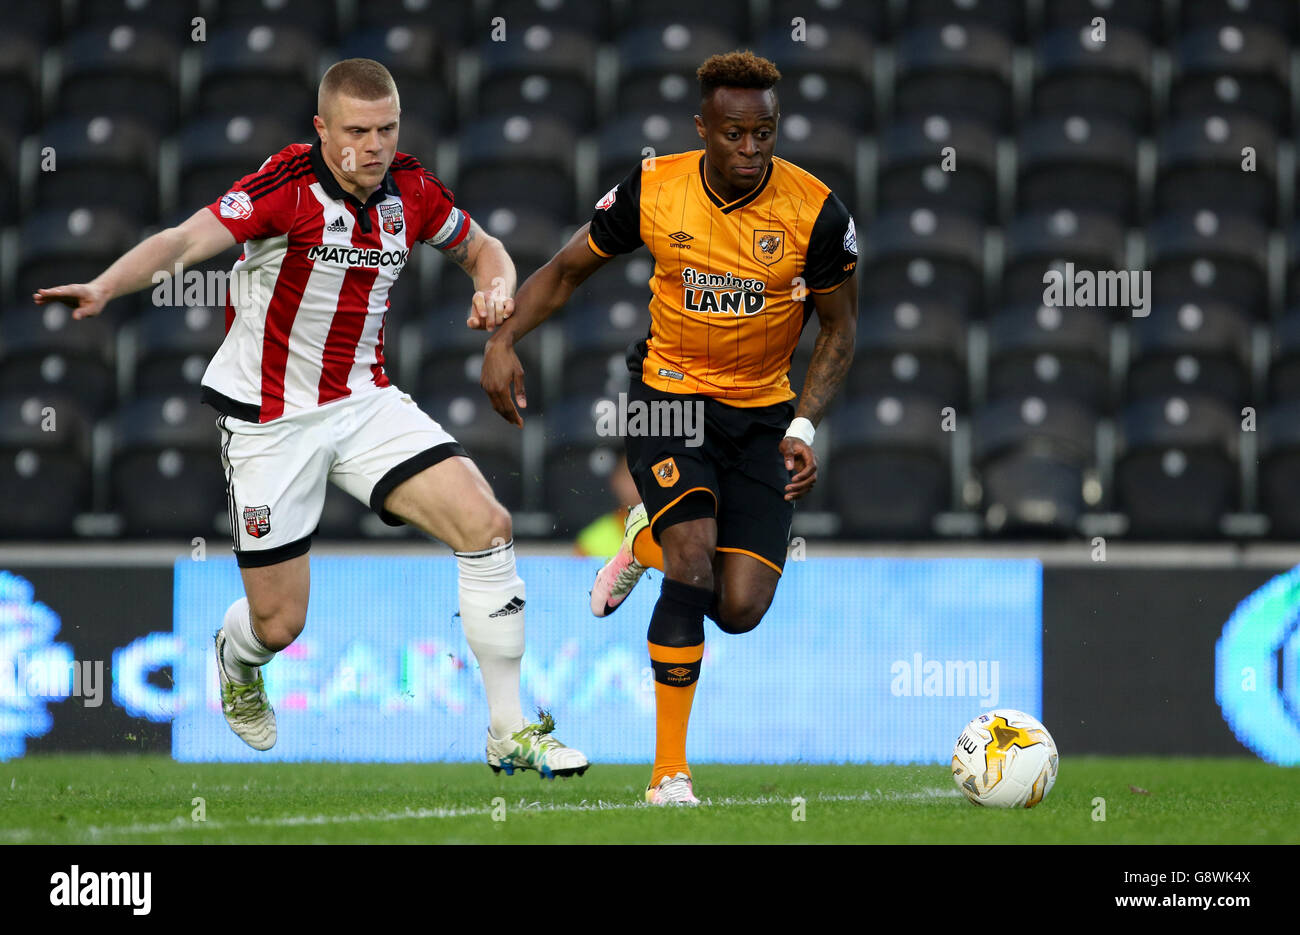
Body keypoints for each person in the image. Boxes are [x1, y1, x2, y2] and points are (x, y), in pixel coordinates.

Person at [34, 59, 587, 779]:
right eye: (357, 130)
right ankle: (235, 660)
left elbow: (483, 248)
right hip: (271, 422)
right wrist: (107, 285)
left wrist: (497, 287)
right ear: (322, 130)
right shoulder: (283, 186)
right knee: (279, 624)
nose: (375, 145)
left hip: (364, 402)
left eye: (387, 128)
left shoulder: (411, 189)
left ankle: (509, 729)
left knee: (487, 523)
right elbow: (182, 241)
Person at [474, 51, 857, 803]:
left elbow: (840, 332)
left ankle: (641, 540)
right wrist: (502, 339)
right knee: (693, 562)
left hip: (763, 414)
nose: (751, 150)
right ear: (703, 129)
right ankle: (668, 773)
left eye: (765, 134)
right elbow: (568, 269)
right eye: (735, 134)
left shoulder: (817, 212)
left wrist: (804, 427)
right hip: (667, 398)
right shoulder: (656, 188)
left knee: (740, 605)